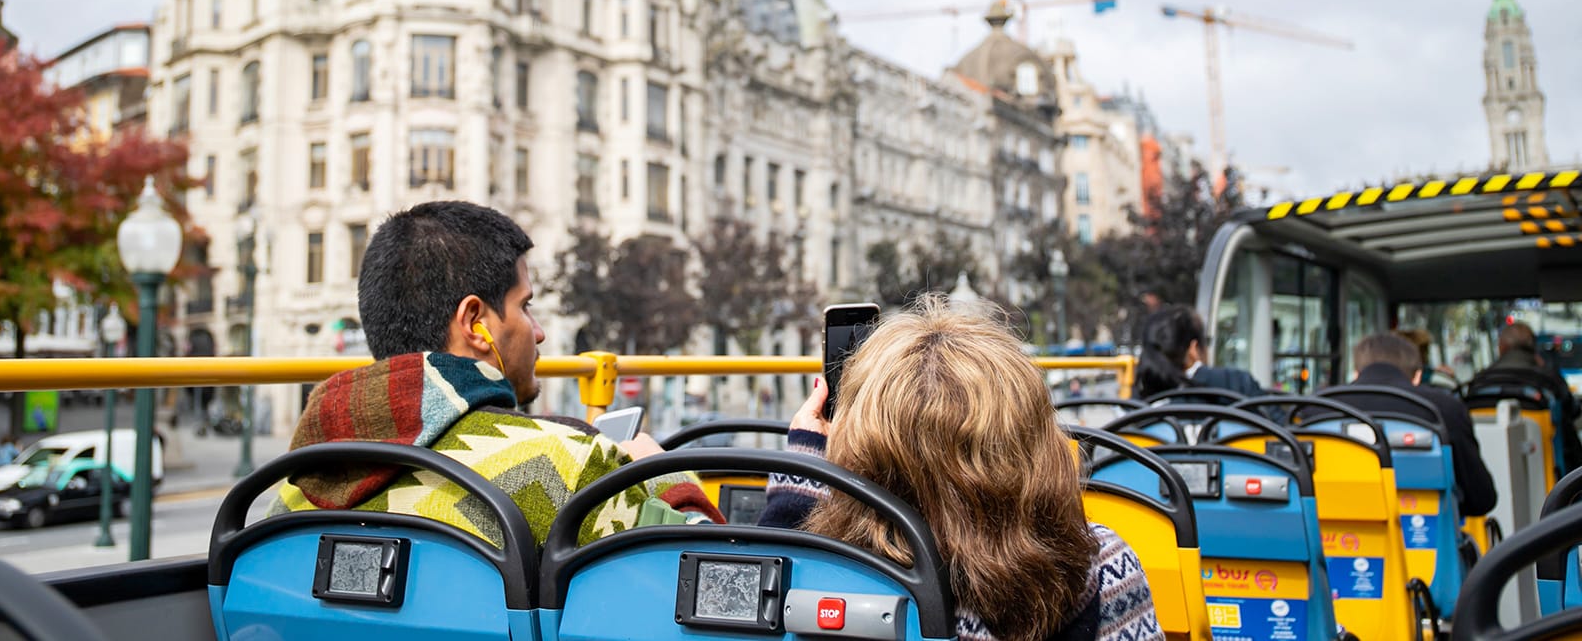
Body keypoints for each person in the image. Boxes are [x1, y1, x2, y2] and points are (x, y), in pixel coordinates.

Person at [270, 201, 716, 543]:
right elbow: (719, 584)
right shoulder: (571, 467)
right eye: (525, 306)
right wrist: (662, 472)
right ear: (474, 324)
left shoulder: (294, 492)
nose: (538, 333)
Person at [761, 296, 1162, 641]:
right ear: (1033, 445)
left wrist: (799, 486)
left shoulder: (840, 596)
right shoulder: (1106, 567)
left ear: (861, 456)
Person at [1345, 331, 1497, 517]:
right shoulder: (1445, 410)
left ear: (1356, 373)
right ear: (1417, 376)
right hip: (1430, 540)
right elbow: (1481, 498)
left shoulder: (1316, 409)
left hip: (1332, 538)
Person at [1473, 322, 1582, 471]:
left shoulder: (1478, 383)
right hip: (1548, 472)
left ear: (1501, 347)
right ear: (1533, 348)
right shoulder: (1548, 380)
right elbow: (1573, 410)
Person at [1134, 305, 1266, 399]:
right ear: (1193, 349)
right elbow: (1280, 429)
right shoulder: (1237, 383)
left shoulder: (1139, 399)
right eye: (1207, 341)